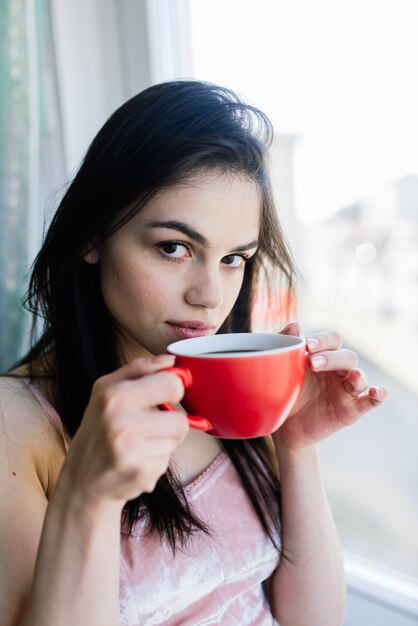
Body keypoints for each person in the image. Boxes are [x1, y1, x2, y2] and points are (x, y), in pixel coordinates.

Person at [0, 80, 387, 626]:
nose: (209, 295)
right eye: (174, 248)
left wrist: (296, 444)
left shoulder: (233, 397)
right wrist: (88, 497)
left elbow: (312, 619)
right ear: (91, 235)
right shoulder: (16, 425)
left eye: (234, 258)